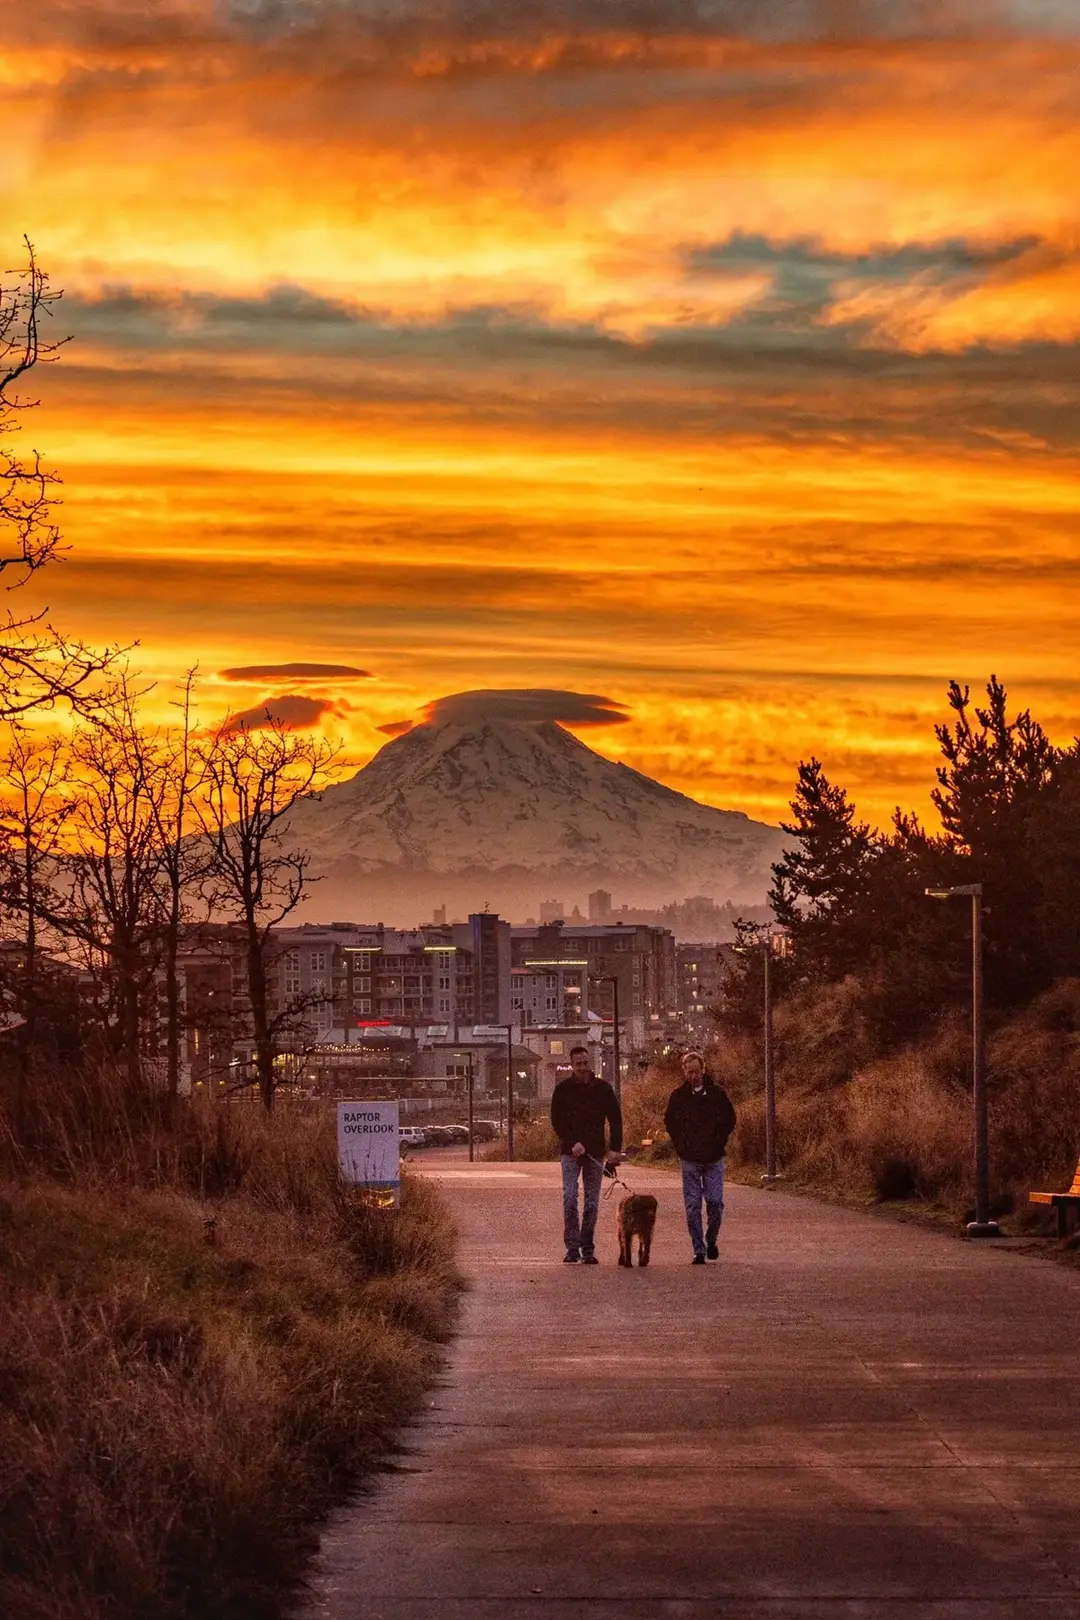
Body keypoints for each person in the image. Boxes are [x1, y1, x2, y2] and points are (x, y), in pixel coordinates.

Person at [550, 1044, 623, 1264]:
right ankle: (572, 1248)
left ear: (589, 1063)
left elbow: (615, 1119)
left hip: (595, 1152)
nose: (582, 1067)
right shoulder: (562, 1090)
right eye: (578, 1064)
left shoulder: (603, 1089)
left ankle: (587, 1248)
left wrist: (614, 1150)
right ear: (571, 1065)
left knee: (592, 1203)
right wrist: (571, 1142)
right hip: (570, 1153)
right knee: (570, 1197)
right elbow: (557, 1121)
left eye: (585, 1063)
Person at [664, 1050, 736, 1265]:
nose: (693, 1076)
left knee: (715, 1203)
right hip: (690, 1159)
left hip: (713, 1157)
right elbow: (670, 1122)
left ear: (703, 1070)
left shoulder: (717, 1094)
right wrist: (681, 1145)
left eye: (696, 1071)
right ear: (684, 1072)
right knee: (692, 1206)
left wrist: (719, 1140)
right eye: (689, 1072)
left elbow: (729, 1119)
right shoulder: (678, 1097)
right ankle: (698, 1249)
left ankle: (711, 1239)